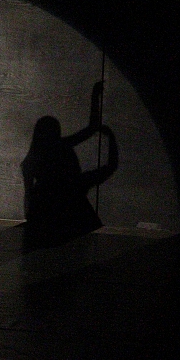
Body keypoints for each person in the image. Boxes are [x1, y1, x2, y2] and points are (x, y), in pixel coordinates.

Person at [21, 81, 119, 248]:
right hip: (70, 208)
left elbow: (28, 193)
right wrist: (95, 98)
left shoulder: (33, 161)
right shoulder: (63, 150)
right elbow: (92, 129)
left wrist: (30, 218)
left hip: (43, 213)